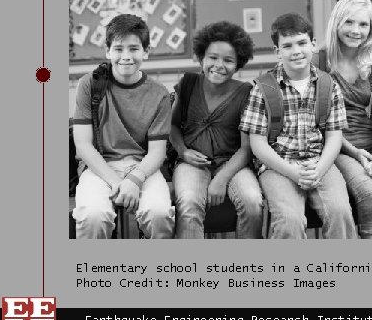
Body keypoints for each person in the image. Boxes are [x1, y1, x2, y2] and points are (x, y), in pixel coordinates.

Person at [240, 13, 357, 239]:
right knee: (289, 221)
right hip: (278, 166)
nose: (296, 51)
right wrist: (292, 172)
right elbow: (258, 145)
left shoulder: (328, 85)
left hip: (319, 163)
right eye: (287, 45)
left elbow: (334, 137)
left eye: (302, 43)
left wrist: (320, 168)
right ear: (277, 52)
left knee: (340, 212)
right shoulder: (263, 88)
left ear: (313, 44)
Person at [72, 14, 175, 239]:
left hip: (143, 167)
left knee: (159, 215)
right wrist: (118, 182)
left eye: (134, 49)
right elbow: (83, 145)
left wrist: (134, 180)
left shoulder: (159, 94)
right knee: (93, 216)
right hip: (99, 167)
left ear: (146, 51)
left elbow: (157, 152)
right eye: (118, 49)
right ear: (108, 51)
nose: (126, 56)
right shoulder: (89, 84)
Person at [316, 0, 372, 239]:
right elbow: (320, 122)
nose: (356, 30)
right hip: (338, 146)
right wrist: (357, 154)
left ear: (371, 28)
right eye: (349, 22)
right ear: (336, 23)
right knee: (368, 193)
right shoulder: (319, 60)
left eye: (363, 24)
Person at [170, 22, 263, 239]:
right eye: (212, 57)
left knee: (252, 201)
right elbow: (172, 126)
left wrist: (221, 179)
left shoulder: (246, 92)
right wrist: (183, 151)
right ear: (201, 57)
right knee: (189, 201)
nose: (218, 65)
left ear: (238, 64)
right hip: (190, 162)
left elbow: (246, 148)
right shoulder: (188, 83)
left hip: (232, 163)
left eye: (228, 60)